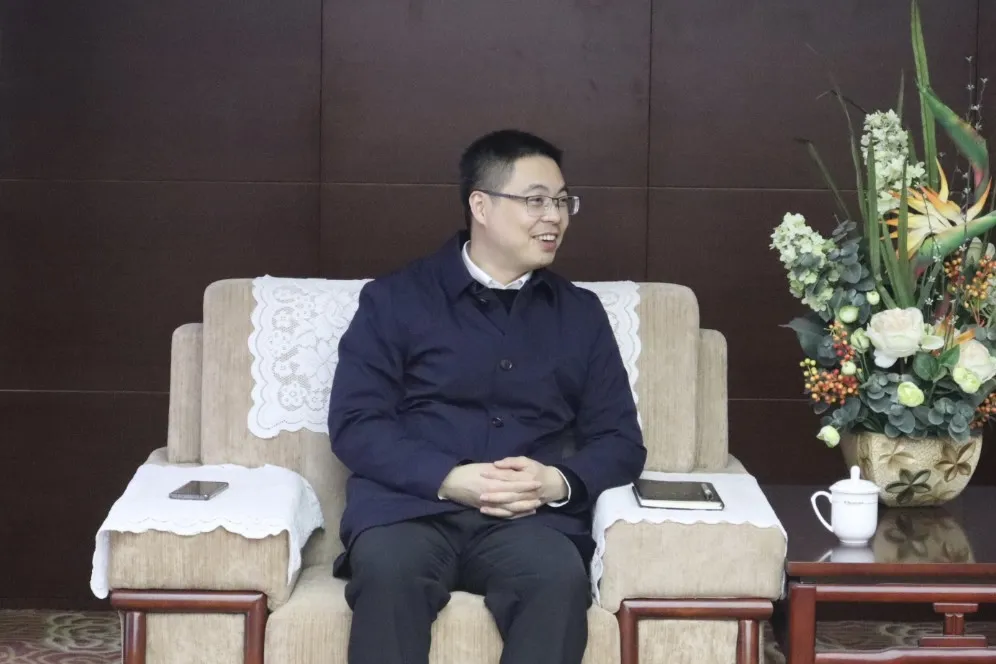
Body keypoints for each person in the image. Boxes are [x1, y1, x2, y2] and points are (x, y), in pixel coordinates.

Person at [327, 129, 646, 664]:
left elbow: (620, 442)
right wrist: (450, 478)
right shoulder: (395, 299)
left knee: (558, 579)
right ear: (481, 205)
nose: (554, 217)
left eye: (562, 201)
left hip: (528, 521)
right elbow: (356, 423)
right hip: (409, 511)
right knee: (388, 571)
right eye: (536, 201)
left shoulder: (580, 314)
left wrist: (555, 482)